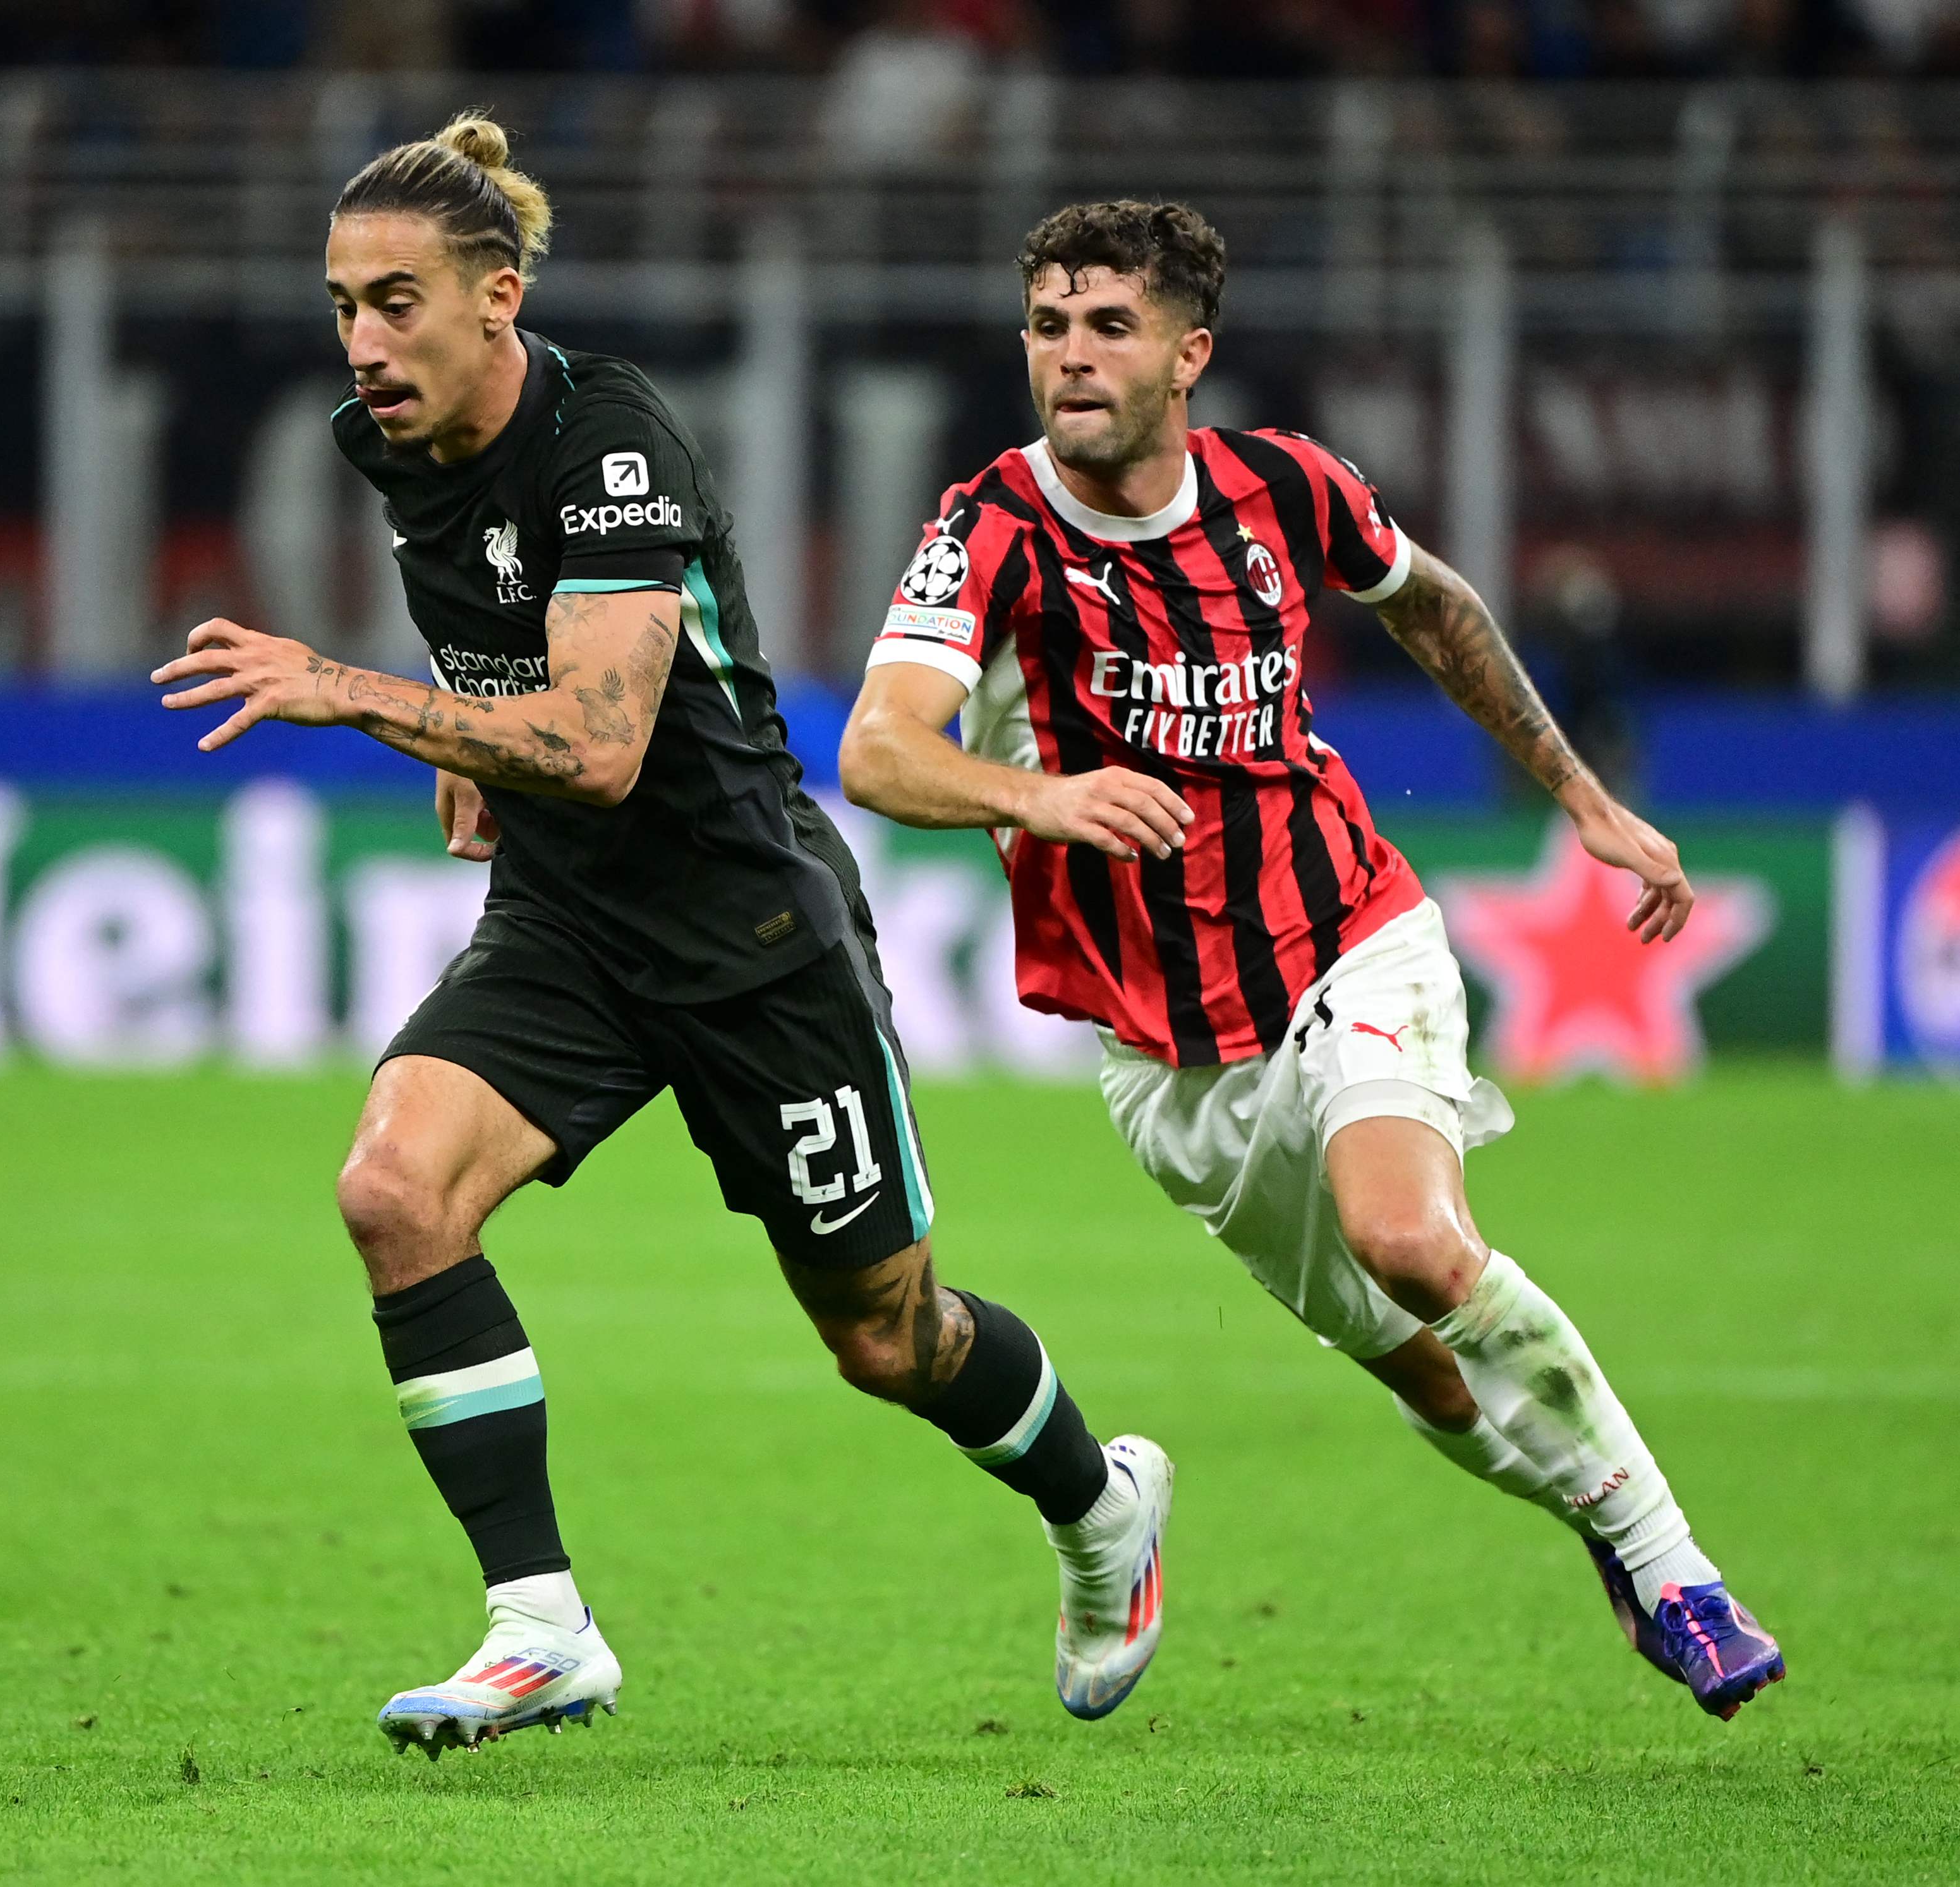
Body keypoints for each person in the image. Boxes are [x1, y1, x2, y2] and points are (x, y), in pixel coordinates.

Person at [154, 117, 1173, 1752]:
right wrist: (475, 757)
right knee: (393, 1187)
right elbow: (507, 646)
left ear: (497, 298)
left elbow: (613, 742)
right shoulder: (388, 438)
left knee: (885, 1337)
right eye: (342, 302)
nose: (362, 342)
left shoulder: (609, 439)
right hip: (569, 919)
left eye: (396, 301)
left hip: (749, 926)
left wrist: (364, 699)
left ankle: (1099, 1503)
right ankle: (537, 1623)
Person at [838, 200, 1783, 1720]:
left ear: (1189, 354)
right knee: (1428, 1367)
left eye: (1109, 327)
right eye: (1048, 326)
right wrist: (1041, 795)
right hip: (1173, 1066)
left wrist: (1586, 799)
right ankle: (1600, 1524)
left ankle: (1673, 1564)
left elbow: (1437, 607)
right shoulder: (991, 529)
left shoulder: (1285, 487)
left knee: (1410, 1236)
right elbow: (879, 748)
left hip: (1350, 931)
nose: (1070, 358)